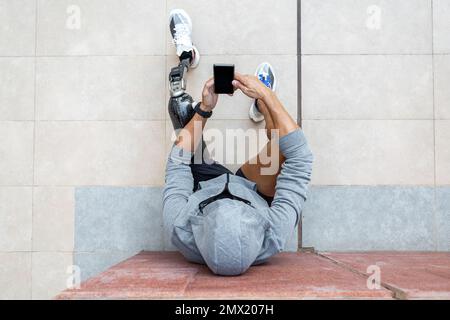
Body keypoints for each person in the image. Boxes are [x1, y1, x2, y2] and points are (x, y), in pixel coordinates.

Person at [163, 9, 313, 276]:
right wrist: (267, 95)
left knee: (182, 112)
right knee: (282, 150)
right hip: (252, 191)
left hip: (205, 186)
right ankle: (262, 107)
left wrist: (205, 109)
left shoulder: (180, 227)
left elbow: (177, 163)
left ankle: (187, 56)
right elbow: (300, 158)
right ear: (260, 224)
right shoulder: (274, 233)